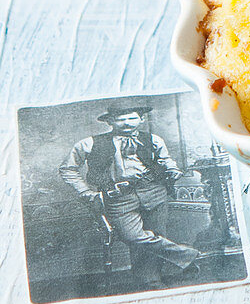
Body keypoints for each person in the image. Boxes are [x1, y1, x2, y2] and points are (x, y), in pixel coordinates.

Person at [60, 103, 200, 287]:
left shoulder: (153, 139)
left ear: (141, 119)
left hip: (154, 192)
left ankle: (151, 282)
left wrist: (173, 170)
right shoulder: (89, 143)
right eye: (120, 118)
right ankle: (188, 256)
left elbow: (166, 160)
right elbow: (67, 169)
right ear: (110, 121)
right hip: (118, 197)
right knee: (133, 236)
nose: (127, 122)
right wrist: (87, 193)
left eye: (132, 117)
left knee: (155, 235)